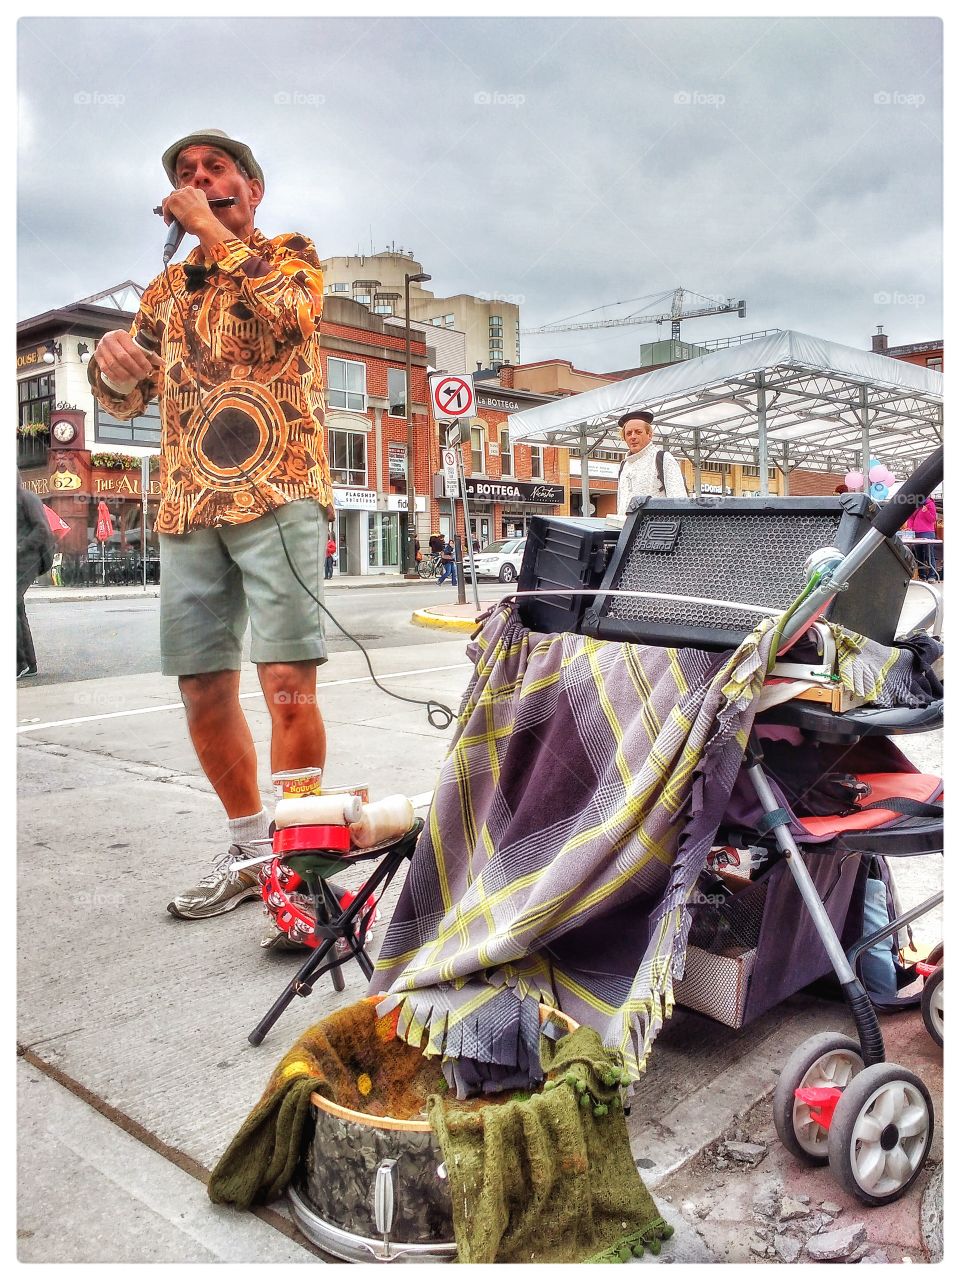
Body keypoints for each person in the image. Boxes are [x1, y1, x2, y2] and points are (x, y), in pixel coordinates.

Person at [88, 128, 335, 922]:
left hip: (278, 488)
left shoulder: (289, 254)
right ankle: (253, 847)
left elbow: (293, 316)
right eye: (185, 176)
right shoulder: (163, 293)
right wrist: (113, 371)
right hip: (189, 502)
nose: (198, 180)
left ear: (250, 189)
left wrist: (213, 231)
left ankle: (300, 873)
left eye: (215, 170)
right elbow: (129, 400)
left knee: (287, 685)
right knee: (201, 685)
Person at [17, 478, 56, 679]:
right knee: (16, 608)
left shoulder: (27, 498)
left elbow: (42, 529)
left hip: (30, 558)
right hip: (17, 560)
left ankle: (19, 662)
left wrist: (19, 546)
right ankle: (28, 664)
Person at [615, 409, 687, 515]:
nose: (633, 436)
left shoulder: (663, 458)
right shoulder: (623, 466)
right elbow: (620, 504)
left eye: (638, 432)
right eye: (629, 433)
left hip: (656, 530)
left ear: (649, 435)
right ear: (624, 438)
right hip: (625, 529)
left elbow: (680, 501)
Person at [904, 497, 939, 582]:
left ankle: (932, 576)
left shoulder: (930, 504)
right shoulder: (916, 505)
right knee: (919, 555)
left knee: (929, 555)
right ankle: (922, 575)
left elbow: (933, 519)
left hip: (928, 532)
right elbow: (911, 518)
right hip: (916, 533)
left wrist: (926, 511)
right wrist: (909, 527)